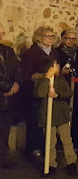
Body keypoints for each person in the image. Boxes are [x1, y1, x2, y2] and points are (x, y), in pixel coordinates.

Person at [19, 26, 60, 157]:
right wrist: (43, 76)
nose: (50, 39)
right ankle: (34, 146)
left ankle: (48, 145)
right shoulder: (31, 53)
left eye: (51, 36)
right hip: (35, 91)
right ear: (39, 37)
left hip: (50, 90)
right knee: (35, 119)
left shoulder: (54, 53)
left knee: (48, 118)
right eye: (47, 36)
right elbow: (27, 75)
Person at [33, 57, 78, 176]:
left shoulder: (60, 79)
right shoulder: (42, 80)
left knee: (66, 140)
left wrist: (57, 95)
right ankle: (50, 163)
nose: (57, 67)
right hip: (48, 116)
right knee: (50, 141)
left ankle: (71, 162)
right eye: (55, 65)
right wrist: (47, 78)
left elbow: (68, 92)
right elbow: (40, 93)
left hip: (61, 115)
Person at [0, 22, 19, 169]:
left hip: (6, 100)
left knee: (4, 130)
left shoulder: (8, 51)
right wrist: (7, 87)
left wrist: (15, 85)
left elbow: (17, 69)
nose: (2, 35)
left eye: (2, 32)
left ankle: (3, 158)